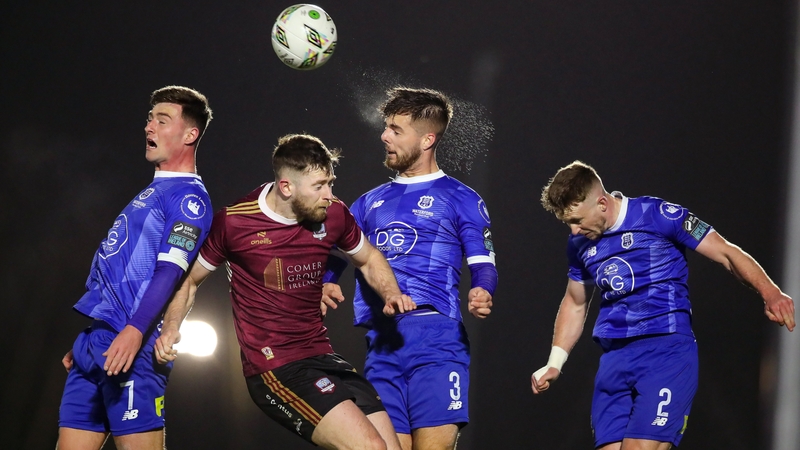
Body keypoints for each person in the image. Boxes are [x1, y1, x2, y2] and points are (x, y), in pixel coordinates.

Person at [154, 134, 414, 450]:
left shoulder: (333, 214)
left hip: (323, 356)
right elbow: (190, 280)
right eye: (319, 186)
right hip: (276, 367)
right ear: (287, 187)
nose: (329, 195)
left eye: (330, 182)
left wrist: (391, 293)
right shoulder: (235, 222)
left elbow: (369, 257)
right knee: (370, 448)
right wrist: (170, 327)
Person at [531, 160, 796, 450]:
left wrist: (770, 292)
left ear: (603, 204)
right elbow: (575, 302)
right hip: (614, 359)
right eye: (568, 223)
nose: (574, 231)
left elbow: (725, 253)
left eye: (577, 220)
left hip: (665, 352)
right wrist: (554, 363)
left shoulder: (658, 215)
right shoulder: (580, 245)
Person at [321, 87, 498, 450]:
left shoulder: (461, 198)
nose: (384, 136)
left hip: (437, 340)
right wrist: (325, 282)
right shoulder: (369, 203)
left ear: (427, 139)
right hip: (382, 345)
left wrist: (482, 289)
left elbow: (484, 264)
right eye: (386, 127)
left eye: (396, 129)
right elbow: (336, 255)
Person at [57, 85, 213, 450]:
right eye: (149, 119)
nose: (149, 128)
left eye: (162, 120)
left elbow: (170, 272)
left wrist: (134, 330)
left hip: (132, 344)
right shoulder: (152, 192)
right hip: (98, 341)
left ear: (190, 134)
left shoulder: (189, 199)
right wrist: (93, 334)